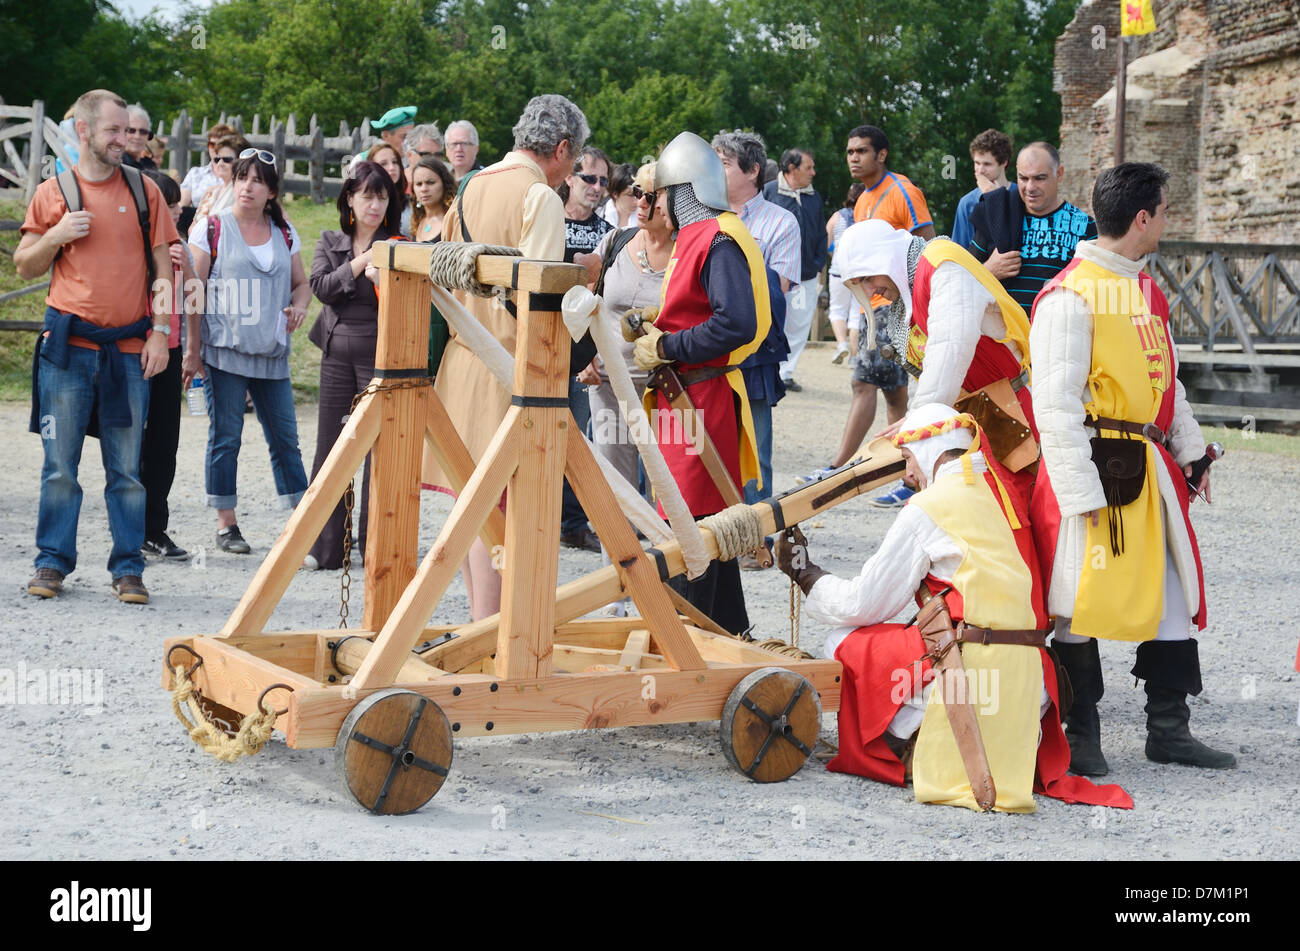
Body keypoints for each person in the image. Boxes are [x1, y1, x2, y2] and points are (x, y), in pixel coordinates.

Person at [777, 402, 1130, 812]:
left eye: (908, 459)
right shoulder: (1005, 494)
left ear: (930, 451)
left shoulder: (932, 505)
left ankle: (913, 745)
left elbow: (864, 604)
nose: (907, 474)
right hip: (1030, 684)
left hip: (968, 676)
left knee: (841, 640)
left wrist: (805, 573)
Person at [1029, 162, 1235, 774]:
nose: (1167, 221)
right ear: (1141, 219)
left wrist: (1191, 449)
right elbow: (1055, 407)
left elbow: (1165, 381)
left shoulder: (1144, 289)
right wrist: (1078, 494)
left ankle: (1168, 730)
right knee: (1077, 599)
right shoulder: (1069, 297)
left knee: (1170, 592)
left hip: (1148, 468)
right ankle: (1081, 734)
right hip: (1095, 468)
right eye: (1166, 211)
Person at [423, 93, 588, 621]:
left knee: (471, 504)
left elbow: (443, 273)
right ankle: (494, 635)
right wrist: (588, 281)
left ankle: (481, 623)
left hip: (462, 359)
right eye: (575, 158)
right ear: (561, 148)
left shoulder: (470, 186)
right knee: (504, 509)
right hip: (512, 367)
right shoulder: (539, 197)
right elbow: (540, 305)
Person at [18, 89, 178, 604]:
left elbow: (162, 268)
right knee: (60, 465)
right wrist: (57, 234)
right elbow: (26, 264)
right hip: (68, 350)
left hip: (128, 350)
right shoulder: (53, 192)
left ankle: (129, 568)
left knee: (128, 469)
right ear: (84, 131)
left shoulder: (144, 190)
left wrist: (160, 331)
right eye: (113, 130)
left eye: (127, 129)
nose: (124, 139)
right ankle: (51, 563)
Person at [633, 131, 771, 635]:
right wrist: (663, 318)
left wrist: (669, 346)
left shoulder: (716, 238)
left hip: (701, 398)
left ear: (682, 190)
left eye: (663, 192)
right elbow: (704, 308)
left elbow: (736, 321)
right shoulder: (703, 235)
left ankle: (688, 642)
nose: (658, 203)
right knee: (702, 522)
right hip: (687, 398)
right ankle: (731, 632)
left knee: (691, 526)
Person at [832, 219, 1037, 506]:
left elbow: (948, 352)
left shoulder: (944, 265)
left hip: (1014, 417)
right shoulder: (913, 288)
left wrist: (917, 422)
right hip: (973, 418)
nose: (871, 292)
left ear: (885, 258)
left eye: (868, 278)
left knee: (1022, 515)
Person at [189, 149, 311, 554]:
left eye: (258, 180)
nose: (248, 186)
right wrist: (193, 351)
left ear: (271, 191)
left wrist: (300, 306)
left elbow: (301, 283)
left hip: (272, 351)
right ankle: (227, 525)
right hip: (224, 350)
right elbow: (193, 289)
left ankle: (300, 523)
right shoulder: (211, 228)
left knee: (285, 439)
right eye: (242, 177)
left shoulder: (285, 233)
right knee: (226, 437)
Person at [813, 124, 935, 506]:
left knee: (864, 384)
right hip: (874, 306)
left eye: (861, 151)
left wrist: (917, 308)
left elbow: (926, 248)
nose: (853, 158)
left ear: (881, 154)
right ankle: (907, 473)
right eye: (849, 151)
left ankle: (840, 466)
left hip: (897, 307)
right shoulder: (864, 199)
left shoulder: (903, 191)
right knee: (893, 391)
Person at [305, 162, 405, 570]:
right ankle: (325, 548)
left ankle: (376, 548)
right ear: (349, 198)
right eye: (366, 195)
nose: (374, 204)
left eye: (381, 196)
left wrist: (387, 276)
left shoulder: (399, 243)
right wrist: (361, 264)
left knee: (376, 452)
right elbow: (321, 289)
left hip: (378, 356)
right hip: (334, 355)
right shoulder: (331, 240)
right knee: (330, 449)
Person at [711, 130, 796, 571]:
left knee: (755, 446)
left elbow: (774, 294)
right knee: (703, 440)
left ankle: (755, 540)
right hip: (706, 347)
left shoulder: (781, 223)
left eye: (723, 162)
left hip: (755, 350)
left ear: (751, 171)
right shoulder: (698, 216)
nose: (713, 169)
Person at [140, 169, 202, 561]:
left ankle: (154, 529)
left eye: (179, 206)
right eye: (170, 206)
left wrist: (189, 267)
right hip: (132, 349)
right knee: (131, 444)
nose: (178, 214)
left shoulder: (180, 246)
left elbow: (195, 299)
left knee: (165, 445)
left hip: (173, 349)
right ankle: (129, 529)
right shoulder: (133, 243)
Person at [557, 145, 615, 552]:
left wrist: (595, 355)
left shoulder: (607, 233)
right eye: (589, 178)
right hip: (540, 339)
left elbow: (607, 299)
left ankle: (574, 523)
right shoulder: (546, 220)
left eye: (603, 181)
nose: (596, 187)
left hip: (582, 348)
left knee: (575, 435)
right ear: (569, 177)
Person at [969, 142, 1097, 316]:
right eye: (1023, 178)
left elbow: (1096, 289)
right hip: (1004, 337)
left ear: (1059, 174)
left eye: (1039, 178)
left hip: (1056, 335)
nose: (1030, 187)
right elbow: (961, 277)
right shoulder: (998, 216)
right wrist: (989, 271)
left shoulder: (1085, 226)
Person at [763, 147, 827, 390]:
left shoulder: (814, 197)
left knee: (799, 324)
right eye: (808, 167)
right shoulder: (768, 192)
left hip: (806, 275)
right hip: (774, 274)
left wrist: (818, 263)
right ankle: (770, 370)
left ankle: (786, 373)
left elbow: (821, 233)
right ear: (791, 168)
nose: (813, 172)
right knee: (772, 322)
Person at [824, 182, 866, 364]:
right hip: (860, 272)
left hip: (838, 270)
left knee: (837, 310)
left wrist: (834, 255)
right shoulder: (866, 216)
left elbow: (825, 242)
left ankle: (841, 345)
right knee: (857, 314)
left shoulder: (837, 217)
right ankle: (855, 358)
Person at [951, 129, 1013, 250]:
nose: (980, 170)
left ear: (1004, 162)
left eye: (987, 164)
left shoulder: (1021, 195)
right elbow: (958, 252)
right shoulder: (967, 203)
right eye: (977, 163)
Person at [190, 133, 250, 238]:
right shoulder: (211, 192)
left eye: (227, 159)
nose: (220, 163)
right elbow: (193, 227)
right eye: (217, 159)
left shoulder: (245, 193)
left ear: (242, 162)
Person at [180, 122, 236, 233]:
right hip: (197, 225)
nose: (215, 148)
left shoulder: (239, 177)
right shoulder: (196, 173)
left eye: (221, 144)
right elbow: (181, 205)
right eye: (212, 144)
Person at [367, 142, 410, 236]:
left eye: (395, 162)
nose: (392, 167)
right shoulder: (365, 205)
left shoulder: (411, 204)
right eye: (383, 163)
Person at [410, 155, 455, 243]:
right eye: (419, 184)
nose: (424, 189)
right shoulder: (416, 222)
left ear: (444, 184)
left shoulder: (453, 220)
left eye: (430, 183)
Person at [600, 162, 638, 229]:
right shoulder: (599, 216)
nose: (637, 201)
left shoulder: (647, 218)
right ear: (615, 194)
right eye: (630, 195)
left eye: (639, 194)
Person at [444, 119, 483, 184]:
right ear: (446, 150)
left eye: (464, 143)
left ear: (476, 149)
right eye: (454, 144)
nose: (458, 149)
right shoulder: (441, 182)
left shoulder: (486, 177)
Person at [121, 104, 157, 171]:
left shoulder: (150, 165)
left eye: (143, 131)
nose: (137, 136)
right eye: (131, 130)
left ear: (149, 136)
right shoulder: (114, 166)